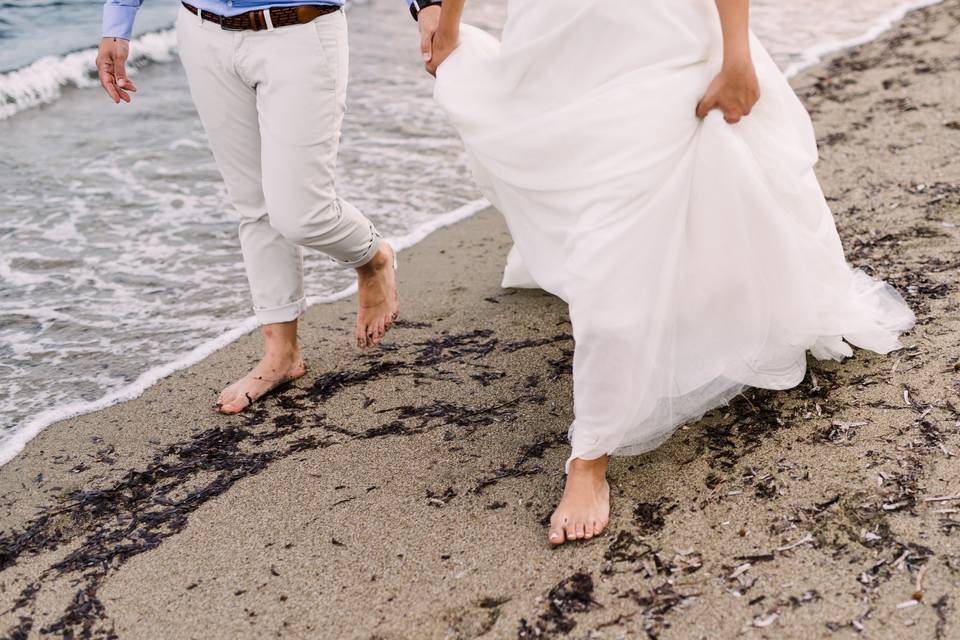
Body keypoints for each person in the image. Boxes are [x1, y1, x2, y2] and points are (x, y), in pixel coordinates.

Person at [422, 0, 916, 545]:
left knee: (631, 244)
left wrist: (737, 55)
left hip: (663, 44)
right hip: (551, 44)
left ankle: (589, 457)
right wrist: (441, 18)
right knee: (594, 209)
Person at [96, 0, 445, 412]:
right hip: (203, 32)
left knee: (303, 213)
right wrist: (118, 20)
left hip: (301, 31)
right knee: (254, 205)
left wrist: (428, 5)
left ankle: (372, 257)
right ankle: (281, 355)